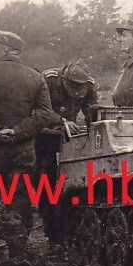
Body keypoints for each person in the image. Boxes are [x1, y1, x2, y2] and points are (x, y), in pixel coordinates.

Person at [0, 30, 59, 244]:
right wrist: (18, 132)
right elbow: (45, 113)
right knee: (21, 199)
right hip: (24, 148)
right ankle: (18, 250)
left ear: (7, 48)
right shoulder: (35, 77)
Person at [36, 60, 97, 243]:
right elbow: (40, 110)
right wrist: (61, 121)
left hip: (70, 137)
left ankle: (69, 229)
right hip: (45, 135)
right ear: (64, 79)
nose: (77, 92)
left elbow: (92, 111)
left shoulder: (88, 85)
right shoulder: (48, 80)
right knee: (45, 181)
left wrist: (94, 127)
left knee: (69, 182)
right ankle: (51, 232)